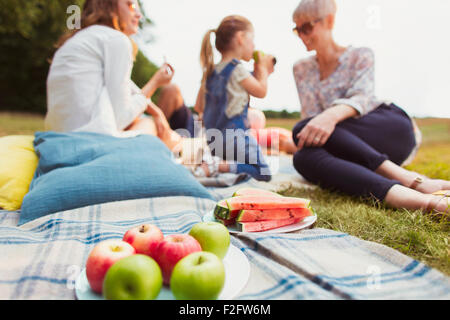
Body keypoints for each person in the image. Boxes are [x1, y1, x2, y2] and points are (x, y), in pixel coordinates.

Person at [291, 0, 449, 214]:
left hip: (386, 127)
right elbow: (312, 120)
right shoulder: (301, 69)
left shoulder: (361, 54)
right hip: (345, 143)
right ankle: (419, 201)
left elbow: (362, 98)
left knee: (301, 129)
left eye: (307, 27)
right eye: (296, 29)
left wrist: (330, 116)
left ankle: (409, 178)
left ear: (329, 20)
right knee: (303, 156)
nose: (301, 34)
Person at [46, 0, 187, 153]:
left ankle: (185, 146)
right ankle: (187, 150)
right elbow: (121, 118)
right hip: (89, 146)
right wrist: (155, 83)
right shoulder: (116, 40)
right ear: (108, 5)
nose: (139, 15)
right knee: (151, 125)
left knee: (148, 122)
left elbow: (125, 85)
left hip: (60, 143)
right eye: (130, 5)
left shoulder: (80, 41)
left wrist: (156, 111)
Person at [194, 15, 275, 182]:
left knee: (240, 160)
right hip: (235, 136)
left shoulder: (210, 72)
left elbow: (198, 106)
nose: (254, 46)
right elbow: (261, 91)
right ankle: (217, 165)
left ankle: (215, 162)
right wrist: (263, 70)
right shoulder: (238, 69)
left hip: (214, 140)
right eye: (252, 39)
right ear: (240, 38)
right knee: (263, 171)